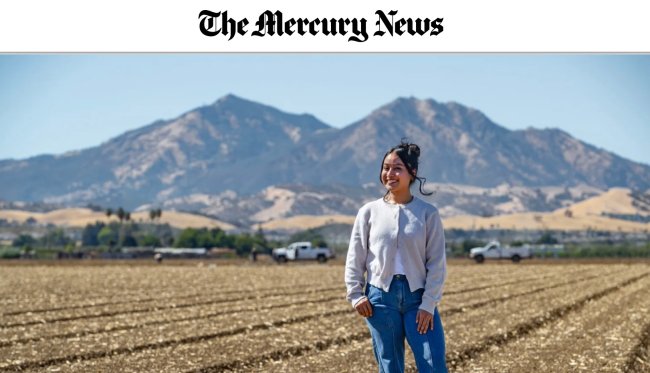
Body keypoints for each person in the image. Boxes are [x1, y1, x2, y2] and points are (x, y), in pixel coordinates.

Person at [345, 140, 448, 373]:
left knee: (433, 365)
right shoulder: (368, 212)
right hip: (380, 300)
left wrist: (428, 303)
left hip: (418, 299)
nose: (389, 173)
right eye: (386, 167)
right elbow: (355, 256)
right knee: (390, 366)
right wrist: (355, 295)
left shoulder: (428, 213)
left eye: (397, 168)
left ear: (412, 173)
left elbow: (437, 263)